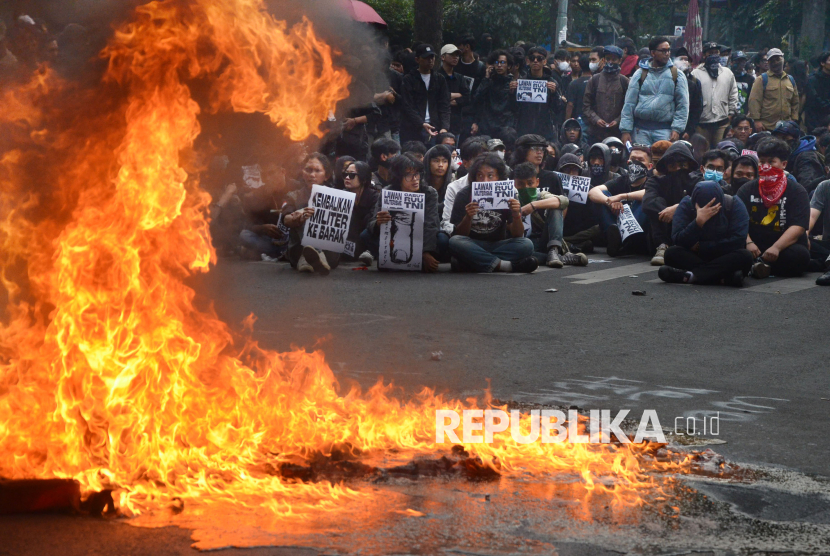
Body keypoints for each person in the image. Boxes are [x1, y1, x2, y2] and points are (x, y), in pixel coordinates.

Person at [448, 153, 538, 272]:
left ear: (499, 177)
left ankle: (474, 262)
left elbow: (517, 235)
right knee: (455, 242)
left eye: (490, 176)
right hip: (472, 243)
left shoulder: (509, 194)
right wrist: (468, 217)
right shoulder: (464, 195)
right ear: (474, 177)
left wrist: (516, 215)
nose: (485, 181)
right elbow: (459, 235)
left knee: (526, 245)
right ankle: (506, 265)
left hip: (498, 244)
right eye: (480, 176)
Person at [736, 138, 810, 278]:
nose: (765, 166)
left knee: (799, 256)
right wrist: (749, 242)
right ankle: (759, 266)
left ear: (783, 164)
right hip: (753, 246)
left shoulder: (797, 191)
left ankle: (758, 267)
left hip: (783, 247)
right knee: (733, 251)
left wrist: (776, 248)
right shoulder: (746, 189)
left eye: (771, 162)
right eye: (762, 162)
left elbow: (798, 226)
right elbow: (738, 220)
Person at [658, 181, 753, 287]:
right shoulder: (686, 204)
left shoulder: (734, 204)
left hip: (723, 255)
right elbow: (677, 239)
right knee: (671, 253)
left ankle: (692, 276)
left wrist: (702, 247)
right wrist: (697, 223)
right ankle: (722, 278)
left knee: (745, 256)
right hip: (697, 257)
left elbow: (738, 239)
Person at [364, 154, 443, 272]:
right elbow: (371, 223)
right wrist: (378, 222)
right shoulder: (388, 192)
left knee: (443, 240)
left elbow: (430, 224)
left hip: (422, 236)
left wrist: (425, 252)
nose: (415, 179)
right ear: (398, 177)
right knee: (365, 235)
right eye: (408, 175)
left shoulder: (429, 193)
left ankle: (424, 257)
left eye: (417, 174)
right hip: (395, 236)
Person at [513, 162, 585, 268]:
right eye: (521, 184)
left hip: (544, 240)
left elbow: (563, 200)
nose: (526, 187)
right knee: (521, 255)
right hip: (522, 244)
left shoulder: (540, 194)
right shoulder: (510, 197)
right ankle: (559, 258)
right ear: (514, 184)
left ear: (537, 182)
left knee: (556, 207)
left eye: (530, 183)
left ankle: (554, 251)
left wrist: (533, 205)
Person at [620, 37, 689, 145]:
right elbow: (629, 103)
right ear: (652, 53)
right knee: (640, 160)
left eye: (668, 50)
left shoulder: (677, 75)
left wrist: (677, 129)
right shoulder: (639, 74)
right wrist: (625, 130)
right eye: (663, 50)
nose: (667, 53)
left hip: (665, 131)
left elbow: (683, 105)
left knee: (662, 160)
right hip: (640, 131)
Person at [643, 141, 703, 265]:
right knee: (657, 203)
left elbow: (703, 201)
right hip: (663, 228)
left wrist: (679, 208)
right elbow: (648, 202)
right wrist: (668, 211)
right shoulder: (655, 182)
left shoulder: (697, 182)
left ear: (689, 165)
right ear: (666, 167)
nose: (677, 169)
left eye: (682, 165)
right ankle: (662, 246)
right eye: (672, 165)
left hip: (688, 227)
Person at [588, 145, 652, 256]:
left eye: (641, 160)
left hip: (638, 232)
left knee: (646, 199)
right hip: (617, 225)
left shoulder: (652, 181)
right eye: (633, 160)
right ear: (628, 162)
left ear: (650, 166)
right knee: (601, 196)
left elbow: (651, 193)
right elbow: (593, 192)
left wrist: (623, 196)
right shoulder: (622, 180)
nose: (636, 163)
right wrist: (609, 201)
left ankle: (626, 242)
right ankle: (615, 238)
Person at [282, 153, 339, 275]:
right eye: (308, 170)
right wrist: (297, 217)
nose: (312, 175)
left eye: (317, 171)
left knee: (312, 212)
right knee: (306, 212)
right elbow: (285, 219)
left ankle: (316, 254)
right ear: (302, 173)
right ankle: (307, 255)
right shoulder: (293, 195)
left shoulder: (336, 197)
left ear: (326, 175)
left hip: (329, 253)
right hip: (298, 251)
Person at [563, 142, 614, 252]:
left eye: (600, 159)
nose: (596, 162)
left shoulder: (615, 178)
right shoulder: (583, 176)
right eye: (593, 158)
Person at [399, 44, 451, 146]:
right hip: (412, 128)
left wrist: (444, 127)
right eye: (426, 58)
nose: (430, 60)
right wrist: (421, 123)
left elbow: (444, 105)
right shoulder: (408, 79)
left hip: (435, 127)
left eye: (432, 57)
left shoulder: (439, 79)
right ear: (417, 60)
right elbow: (407, 106)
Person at [692, 42, 738, 146]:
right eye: (710, 53)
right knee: (702, 151)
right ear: (704, 55)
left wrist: (731, 114)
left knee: (721, 149)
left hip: (722, 122)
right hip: (702, 123)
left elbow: (733, 94)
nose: (714, 55)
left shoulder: (727, 73)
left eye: (716, 52)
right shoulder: (695, 73)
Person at [582, 45, 629, 143]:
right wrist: (596, 119)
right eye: (608, 59)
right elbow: (586, 106)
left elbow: (628, 107)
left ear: (620, 61)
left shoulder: (624, 81)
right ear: (603, 60)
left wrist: (618, 120)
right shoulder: (594, 80)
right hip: (595, 133)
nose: (610, 62)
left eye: (614, 59)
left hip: (617, 133)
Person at [441, 138, 488, 235]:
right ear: (465, 163)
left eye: (485, 159)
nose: (482, 164)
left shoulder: (501, 183)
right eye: (477, 160)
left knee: (525, 244)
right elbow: (447, 222)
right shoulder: (454, 187)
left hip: (495, 238)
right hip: (464, 237)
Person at [514, 46, 561, 141]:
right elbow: (513, 108)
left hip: (545, 132)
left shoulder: (552, 83)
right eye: (532, 58)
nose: (535, 61)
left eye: (539, 59)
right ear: (528, 61)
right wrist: (512, 92)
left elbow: (558, 109)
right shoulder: (520, 82)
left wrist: (554, 93)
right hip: (524, 131)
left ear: (544, 61)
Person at [747, 48, 799, 133]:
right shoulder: (762, 79)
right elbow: (754, 101)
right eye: (772, 60)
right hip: (766, 127)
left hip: (786, 127)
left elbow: (795, 102)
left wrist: (794, 119)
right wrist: (757, 121)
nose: (775, 62)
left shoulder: (790, 80)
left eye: (777, 59)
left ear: (783, 59)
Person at [771, 120, 826, 193]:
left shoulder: (806, 157)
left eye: (785, 138)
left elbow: (806, 186)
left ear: (795, 139)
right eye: (777, 139)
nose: (781, 142)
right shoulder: (785, 155)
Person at [341, 161, 380, 263]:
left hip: (367, 234)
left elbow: (372, 222)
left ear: (363, 178)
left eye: (352, 175)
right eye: (345, 174)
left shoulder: (374, 197)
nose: (347, 178)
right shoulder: (341, 195)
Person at [473, 50, 516, 139]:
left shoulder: (512, 83)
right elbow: (477, 98)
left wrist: (513, 92)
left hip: (505, 126)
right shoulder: (488, 81)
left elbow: (516, 107)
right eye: (496, 62)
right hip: (487, 126)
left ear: (509, 66)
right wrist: (487, 78)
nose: (499, 65)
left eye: (502, 62)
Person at [437, 44, 473, 138]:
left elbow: (467, 97)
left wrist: (455, 101)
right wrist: (456, 95)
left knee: (455, 151)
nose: (455, 57)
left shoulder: (460, 78)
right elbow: (436, 96)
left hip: (456, 123)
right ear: (443, 57)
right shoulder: (436, 77)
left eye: (457, 55)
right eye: (452, 55)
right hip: (438, 124)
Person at [672, 47, 702, 141]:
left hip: (685, 128)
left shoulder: (694, 82)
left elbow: (696, 109)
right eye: (681, 59)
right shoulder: (667, 79)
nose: (684, 62)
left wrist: (689, 130)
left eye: (686, 59)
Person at [809, 178, 830, 284]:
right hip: (827, 244)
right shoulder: (825, 186)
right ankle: (824, 262)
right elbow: (811, 216)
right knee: (796, 239)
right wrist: (804, 234)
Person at [565, 55, 591, 122]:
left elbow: (570, 105)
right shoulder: (597, 81)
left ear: (580, 65)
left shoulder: (574, 84)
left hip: (578, 121)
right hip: (594, 121)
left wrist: (567, 123)